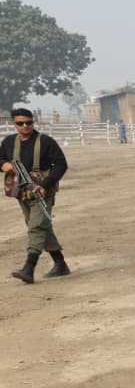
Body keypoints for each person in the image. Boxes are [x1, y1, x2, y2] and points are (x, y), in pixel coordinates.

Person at [3, 109, 70, 282]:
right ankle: (60, 264)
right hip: (21, 192)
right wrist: (4, 165)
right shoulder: (9, 142)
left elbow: (61, 164)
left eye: (29, 122)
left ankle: (29, 268)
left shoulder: (46, 141)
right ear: (14, 124)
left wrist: (46, 184)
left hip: (42, 191)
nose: (25, 126)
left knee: (37, 227)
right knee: (41, 226)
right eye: (20, 123)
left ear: (33, 122)